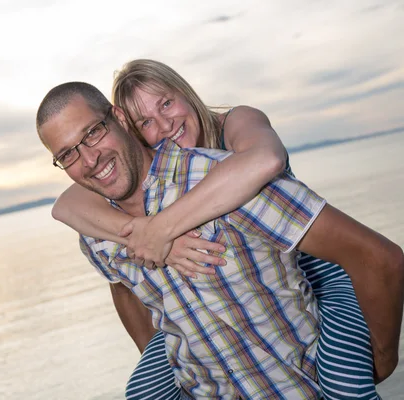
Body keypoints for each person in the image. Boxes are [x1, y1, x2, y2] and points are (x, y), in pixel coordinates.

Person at [35, 81, 404, 398]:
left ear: (117, 118)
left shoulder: (226, 178)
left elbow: (379, 258)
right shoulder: (96, 232)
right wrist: (158, 356)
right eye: (67, 154)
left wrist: (383, 359)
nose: (89, 158)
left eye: (92, 133)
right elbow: (122, 285)